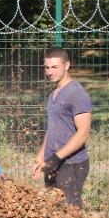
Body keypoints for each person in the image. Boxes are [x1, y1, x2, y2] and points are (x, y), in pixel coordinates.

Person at [31, 48, 92, 208]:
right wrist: (41, 156)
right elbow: (53, 127)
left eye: (54, 67)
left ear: (67, 65)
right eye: (47, 67)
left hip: (72, 164)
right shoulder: (54, 93)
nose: (50, 72)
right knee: (54, 212)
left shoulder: (76, 94)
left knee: (70, 214)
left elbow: (83, 133)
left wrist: (56, 158)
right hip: (53, 161)